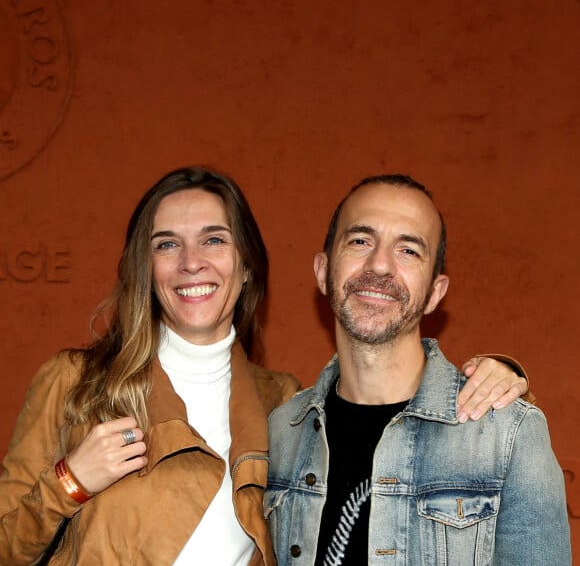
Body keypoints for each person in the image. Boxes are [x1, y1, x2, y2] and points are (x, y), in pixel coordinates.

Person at [0, 167, 527, 565]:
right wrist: (69, 483)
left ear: (247, 266)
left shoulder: (286, 403)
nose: (191, 262)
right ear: (145, 267)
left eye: (214, 239)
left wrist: (495, 374)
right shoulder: (73, 382)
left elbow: (383, 389)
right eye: (167, 244)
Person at [266, 175, 571, 565]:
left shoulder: (508, 435)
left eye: (408, 250)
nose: (380, 264)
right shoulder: (280, 432)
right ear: (323, 271)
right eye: (360, 241)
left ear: (435, 293)